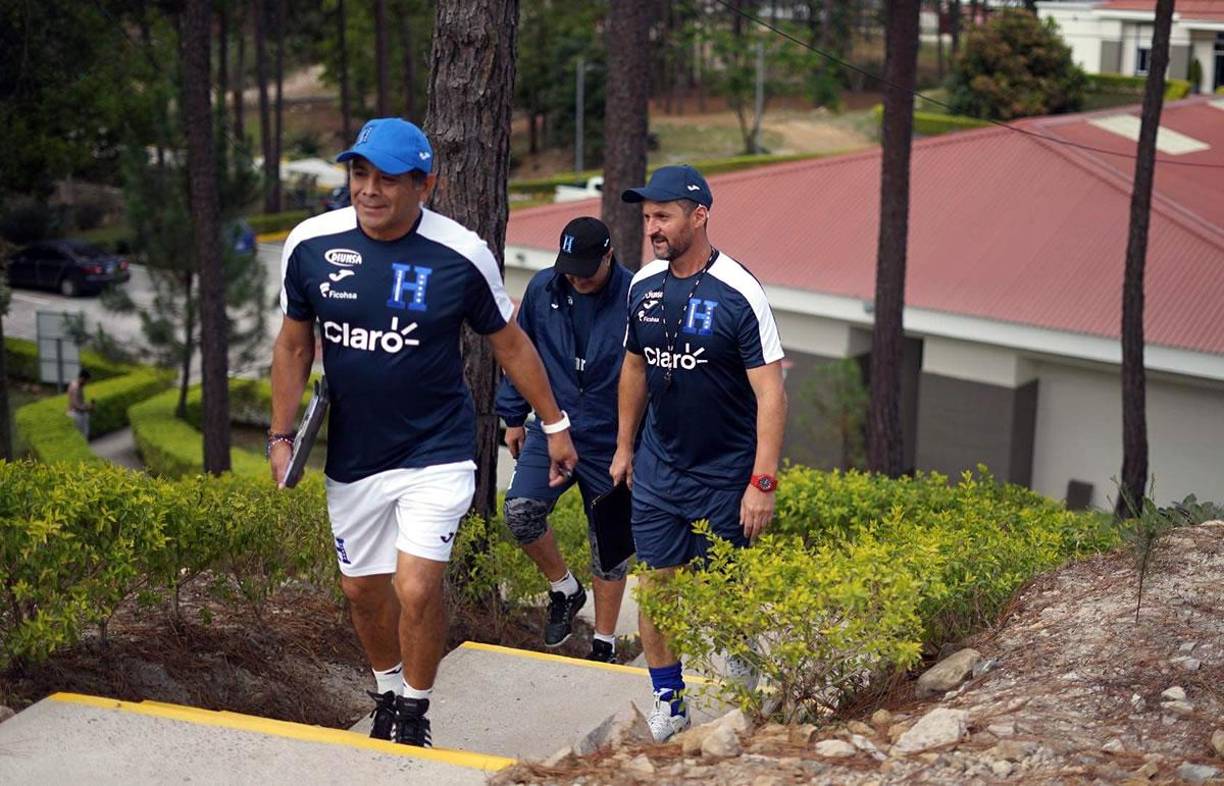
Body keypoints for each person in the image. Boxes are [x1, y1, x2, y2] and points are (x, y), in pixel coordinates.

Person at [268, 118, 578, 748]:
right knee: (361, 590)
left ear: (425, 184)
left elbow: (511, 345)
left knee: (416, 584)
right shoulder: (309, 244)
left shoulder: (460, 254)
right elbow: (295, 345)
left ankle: (415, 709)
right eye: (360, 174)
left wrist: (556, 423)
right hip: (354, 455)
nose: (369, 190)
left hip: (436, 449)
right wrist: (280, 436)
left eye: (387, 178)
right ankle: (386, 691)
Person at [610, 164, 788, 742]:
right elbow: (634, 367)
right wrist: (624, 447)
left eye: (662, 216)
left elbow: (771, 392)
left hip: (726, 473)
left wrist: (762, 483)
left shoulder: (739, 291)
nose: (652, 228)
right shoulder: (642, 285)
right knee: (657, 584)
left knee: (723, 589)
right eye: (646, 218)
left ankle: (743, 670)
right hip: (661, 467)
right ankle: (670, 699)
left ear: (700, 215)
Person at [495, 216, 631, 662]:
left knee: (609, 542)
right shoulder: (543, 289)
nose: (575, 276)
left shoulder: (636, 296)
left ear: (609, 256)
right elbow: (521, 352)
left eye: (586, 268)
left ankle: (604, 644)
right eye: (569, 266)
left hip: (612, 439)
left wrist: (636, 444)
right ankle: (564, 588)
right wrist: (514, 416)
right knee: (520, 513)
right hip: (553, 427)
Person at [66, 368, 94, 438]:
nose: (87, 383)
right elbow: (77, 405)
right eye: (86, 381)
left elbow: (80, 401)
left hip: (76, 413)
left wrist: (87, 405)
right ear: (82, 378)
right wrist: (88, 407)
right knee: (82, 436)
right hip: (76, 415)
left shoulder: (74, 383)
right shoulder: (76, 388)